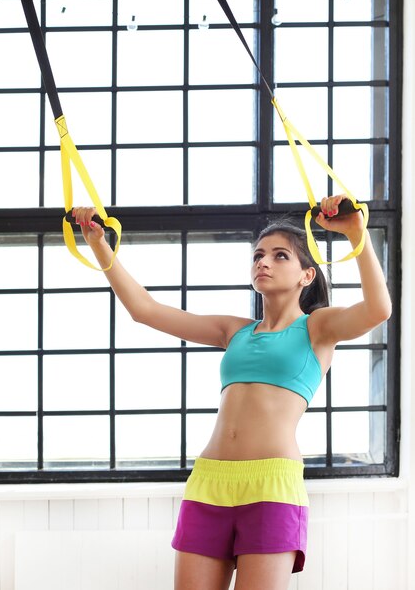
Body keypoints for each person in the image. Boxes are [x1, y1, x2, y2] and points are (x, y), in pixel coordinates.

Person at [73, 194, 391, 590]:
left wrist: (356, 234)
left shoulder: (318, 328)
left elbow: (379, 309)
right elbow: (145, 310)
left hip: (272, 485)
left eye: (279, 256)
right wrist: (99, 244)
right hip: (209, 481)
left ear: (306, 275)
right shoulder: (234, 331)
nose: (263, 261)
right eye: (258, 254)